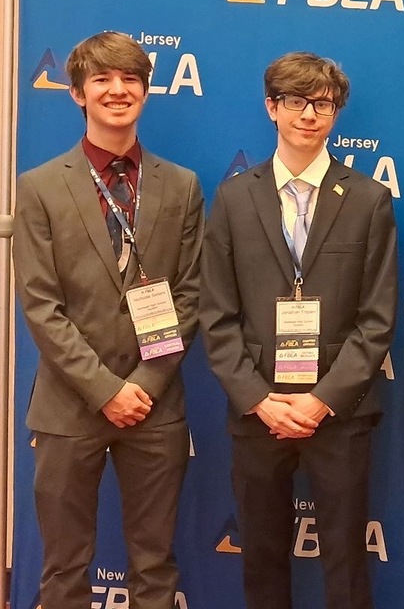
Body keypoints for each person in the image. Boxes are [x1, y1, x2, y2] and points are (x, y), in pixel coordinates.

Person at [13, 31, 204, 608]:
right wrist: (104, 391)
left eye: (130, 79)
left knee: (154, 566)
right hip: (69, 406)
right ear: (77, 93)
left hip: (155, 405)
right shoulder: (40, 187)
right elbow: (41, 307)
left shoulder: (182, 185)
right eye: (102, 79)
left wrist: (142, 386)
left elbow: (190, 296)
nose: (117, 90)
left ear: (146, 90)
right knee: (64, 567)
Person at [200, 52, 397, 609]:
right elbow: (216, 315)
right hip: (257, 411)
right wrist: (260, 399)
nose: (310, 115)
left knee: (345, 560)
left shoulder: (367, 198)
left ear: (336, 113)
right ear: (272, 108)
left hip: (340, 413)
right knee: (261, 556)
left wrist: (321, 401)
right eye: (296, 102)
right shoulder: (235, 198)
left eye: (323, 104)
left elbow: (377, 317)